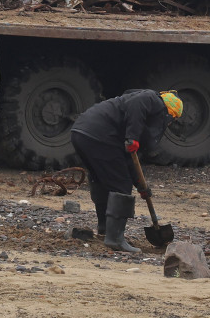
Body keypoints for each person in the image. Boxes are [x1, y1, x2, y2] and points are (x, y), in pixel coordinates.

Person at [69, 89, 184, 252]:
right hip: (99, 135)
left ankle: (105, 228)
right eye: (172, 120)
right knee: (121, 185)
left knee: (102, 180)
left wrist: (141, 186)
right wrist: (133, 137)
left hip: (82, 132)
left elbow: (130, 160)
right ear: (170, 114)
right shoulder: (152, 99)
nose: (170, 124)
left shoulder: (131, 116)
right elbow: (137, 104)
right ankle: (115, 239)